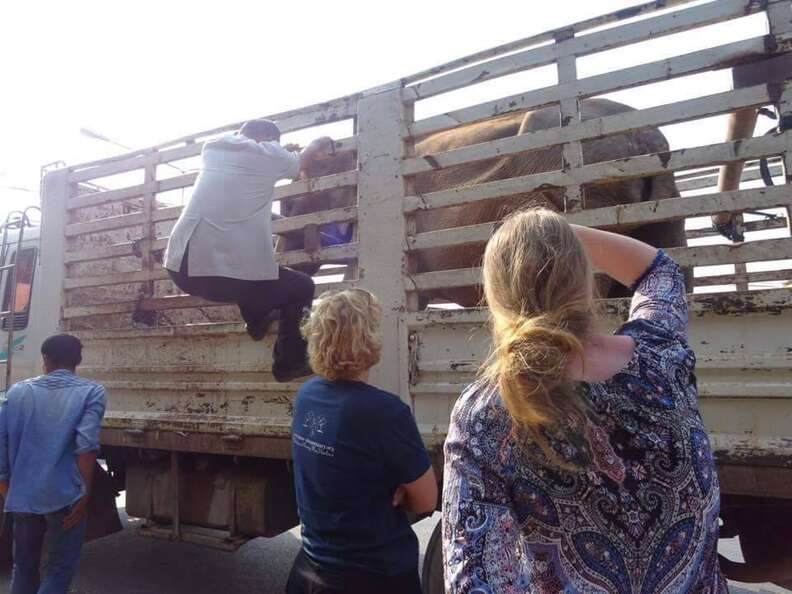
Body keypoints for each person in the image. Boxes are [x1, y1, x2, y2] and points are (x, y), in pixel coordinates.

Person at [442, 208, 725, 592]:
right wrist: (562, 237)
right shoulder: (663, 356)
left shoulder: (486, 413)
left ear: (496, 296)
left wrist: (528, 239)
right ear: (584, 279)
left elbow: (472, 582)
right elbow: (661, 271)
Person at [287, 289, 437, 594]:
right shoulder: (386, 412)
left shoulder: (306, 396)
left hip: (309, 571)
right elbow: (426, 501)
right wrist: (398, 489)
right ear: (368, 338)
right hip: (375, 576)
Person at [164, 119, 335, 382]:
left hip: (179, 265)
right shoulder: (267, 153)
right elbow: (299, 162)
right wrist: (315, 144)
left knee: (251, 263)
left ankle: (257, 320)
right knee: (301, 287)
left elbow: (258, 157)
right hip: (213, 270)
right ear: (267, 138)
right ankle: (288, 362)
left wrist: (276, 151)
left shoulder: (214, 148)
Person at [0, 334, 107, 594]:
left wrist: (5, 485)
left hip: (23, 494)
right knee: (59, 569)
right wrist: (84, 494)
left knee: (23, 567)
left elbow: (1, 440)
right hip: (65, 497)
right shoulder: (92, 392)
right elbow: (86, 445)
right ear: (78, 360)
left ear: (45, 359)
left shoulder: (17, 392)